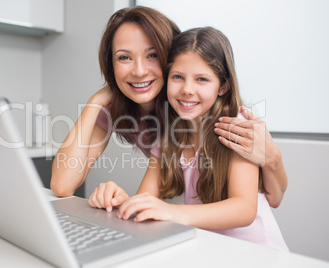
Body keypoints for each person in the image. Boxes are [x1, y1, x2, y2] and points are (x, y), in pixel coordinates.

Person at [50, 6, 287, 208]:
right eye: (124, 58)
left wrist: (272, 158)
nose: (139, 70)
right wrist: (94, 102)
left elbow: (268, 200)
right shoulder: (118, 107)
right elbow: (62, 185)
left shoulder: (193, 106)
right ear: (111, 66)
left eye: (152, 55)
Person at [89, 27, 288, 251]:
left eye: (202, 79)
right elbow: (146, 198)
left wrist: (172, 212)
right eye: (178, 77)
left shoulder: (236, 125)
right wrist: (121, 201)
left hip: (260, 255)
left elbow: (243, 209)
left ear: (223, 86)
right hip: (213, 252)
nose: (187, 89)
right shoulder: (169, 132)